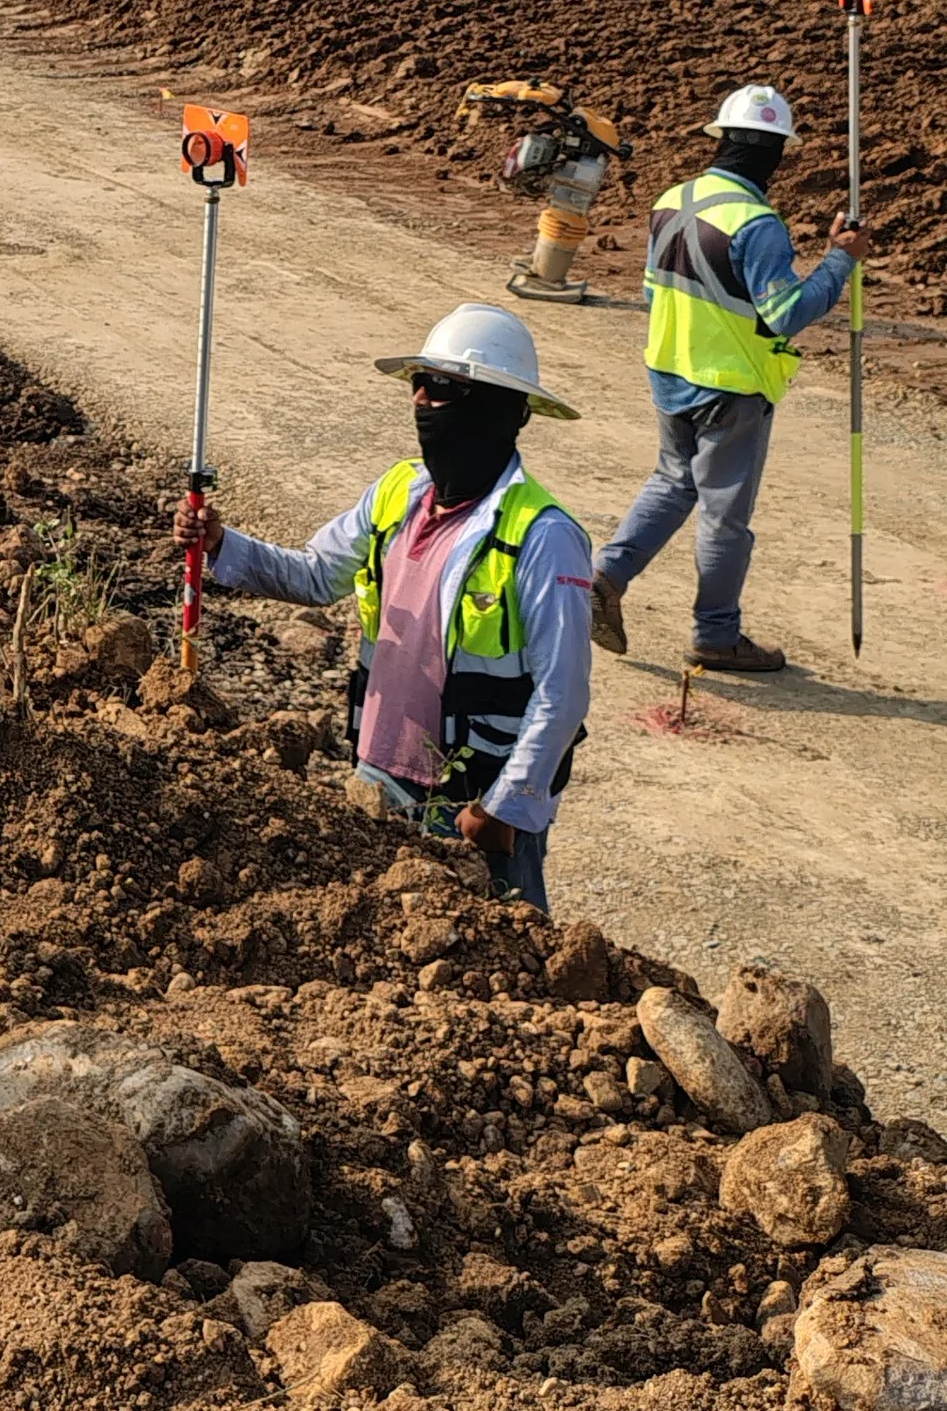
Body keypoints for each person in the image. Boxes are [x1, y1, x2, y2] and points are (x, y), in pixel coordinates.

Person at [172, 301, 591, 909]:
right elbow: (316, 575)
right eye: (419, 385)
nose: (421, 401)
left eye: (442, 388)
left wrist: (506, 809)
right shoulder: (399, 493)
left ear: (499, 410)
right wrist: (220, 543)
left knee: (505, 964)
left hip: (472, 805)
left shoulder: (543, 536)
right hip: (378, 776)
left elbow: (564, 693)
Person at [590, 84, 866, 676]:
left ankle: (606, 576)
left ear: (721, 140)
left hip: (669, 367)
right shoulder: (756, 223)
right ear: (776, 154)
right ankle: (716, 634)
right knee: (724, 515)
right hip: (730, 384)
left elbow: (650, 288)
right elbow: (787, 312)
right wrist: (840, 258)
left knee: (672, 482)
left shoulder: (673, 198)